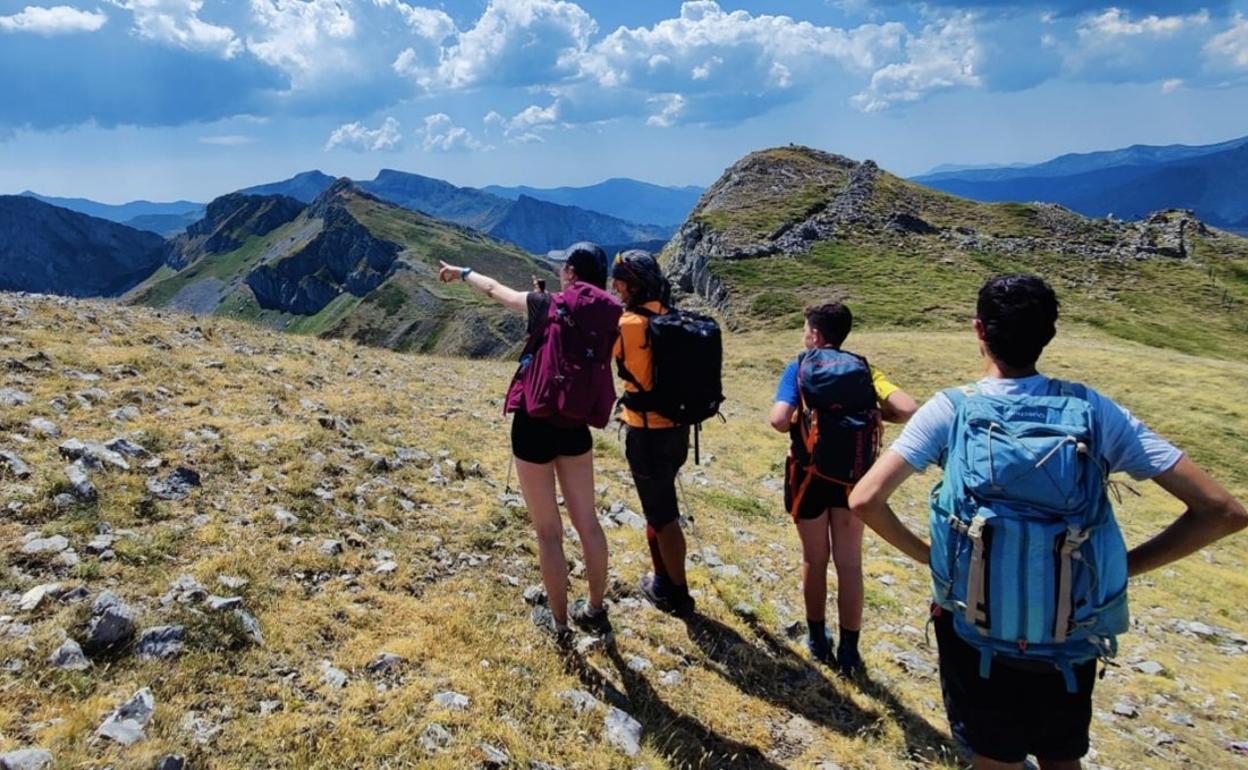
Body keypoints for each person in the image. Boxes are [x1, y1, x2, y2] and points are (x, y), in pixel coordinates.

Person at [848, 274, 1247, 770]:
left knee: (994, 758)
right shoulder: (1095, 412)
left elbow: (865, 498)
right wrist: (1120, 569)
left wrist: (933, 562)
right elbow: (1224, 511)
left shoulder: (951, 408)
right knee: (1062, 758)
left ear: (979, 331)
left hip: (973, 623)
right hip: (1071, 629)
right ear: (1049, 334)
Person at [437, 242, 616, 647]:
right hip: (575, 425)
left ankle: (559, 626)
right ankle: (595, 609)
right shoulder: (608, 315)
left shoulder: (546, 303)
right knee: (588, 523)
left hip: (533, 422)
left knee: (548, 532)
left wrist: (462, 271)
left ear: (570, 272)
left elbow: (495, 289)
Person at [768, 303, 917, 677]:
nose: (804, 335)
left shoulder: (800, 365)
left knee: (814, 559)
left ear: (816, 334)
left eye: (805, 329)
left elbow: (778, 419)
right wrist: (874, 414)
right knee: (850, 564)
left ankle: (818, 641)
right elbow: (907, 408)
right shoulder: (864, 368)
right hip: (854, 478)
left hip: (809, 478)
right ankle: (850, 651)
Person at [610, 250, 695, 616]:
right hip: (677, 430)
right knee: (659, 508)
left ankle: (676, 593)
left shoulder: (629, 323)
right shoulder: (672, 316)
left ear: (632, 284)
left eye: (619, 281)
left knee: (662, 514)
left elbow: (612, 360)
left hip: (646, 434)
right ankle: (663, 581)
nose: (614, 287)